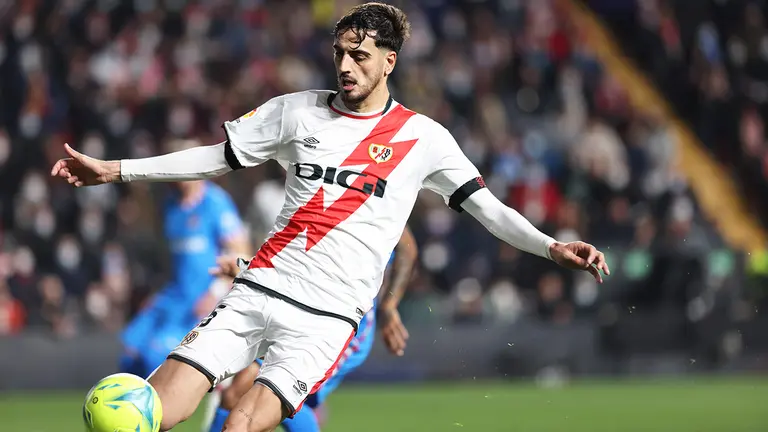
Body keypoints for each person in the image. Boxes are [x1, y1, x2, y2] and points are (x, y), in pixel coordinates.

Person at [51, 3, 610, 431]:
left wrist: (550, 247)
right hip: (258, 289)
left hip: (325, 320)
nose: (345, 65)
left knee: (242, 423)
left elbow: (489, 210)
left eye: (360, 55)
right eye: (340, 52)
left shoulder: (424, 139)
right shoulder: (296, 110)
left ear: (390, 61)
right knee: (155, 408)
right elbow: (213, 159)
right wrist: (115, 169)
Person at [205, 226, 418, 432]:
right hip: (301, 310)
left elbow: (407, 246)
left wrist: (389, 306)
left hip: (346, 326)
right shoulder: (318, 196)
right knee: (240, 395)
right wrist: (250, 268)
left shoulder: (379, 196)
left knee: (276, 398)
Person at [119, 139, 250, 379]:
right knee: (130, 352)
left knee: (154, 355)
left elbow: (241, 254)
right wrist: (156, 294)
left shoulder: (215, 203)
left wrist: (217, 292)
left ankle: (152, 414)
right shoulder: (170, 206)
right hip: (172, 295)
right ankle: (126, 413)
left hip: (199, 299)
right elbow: (175, 261)